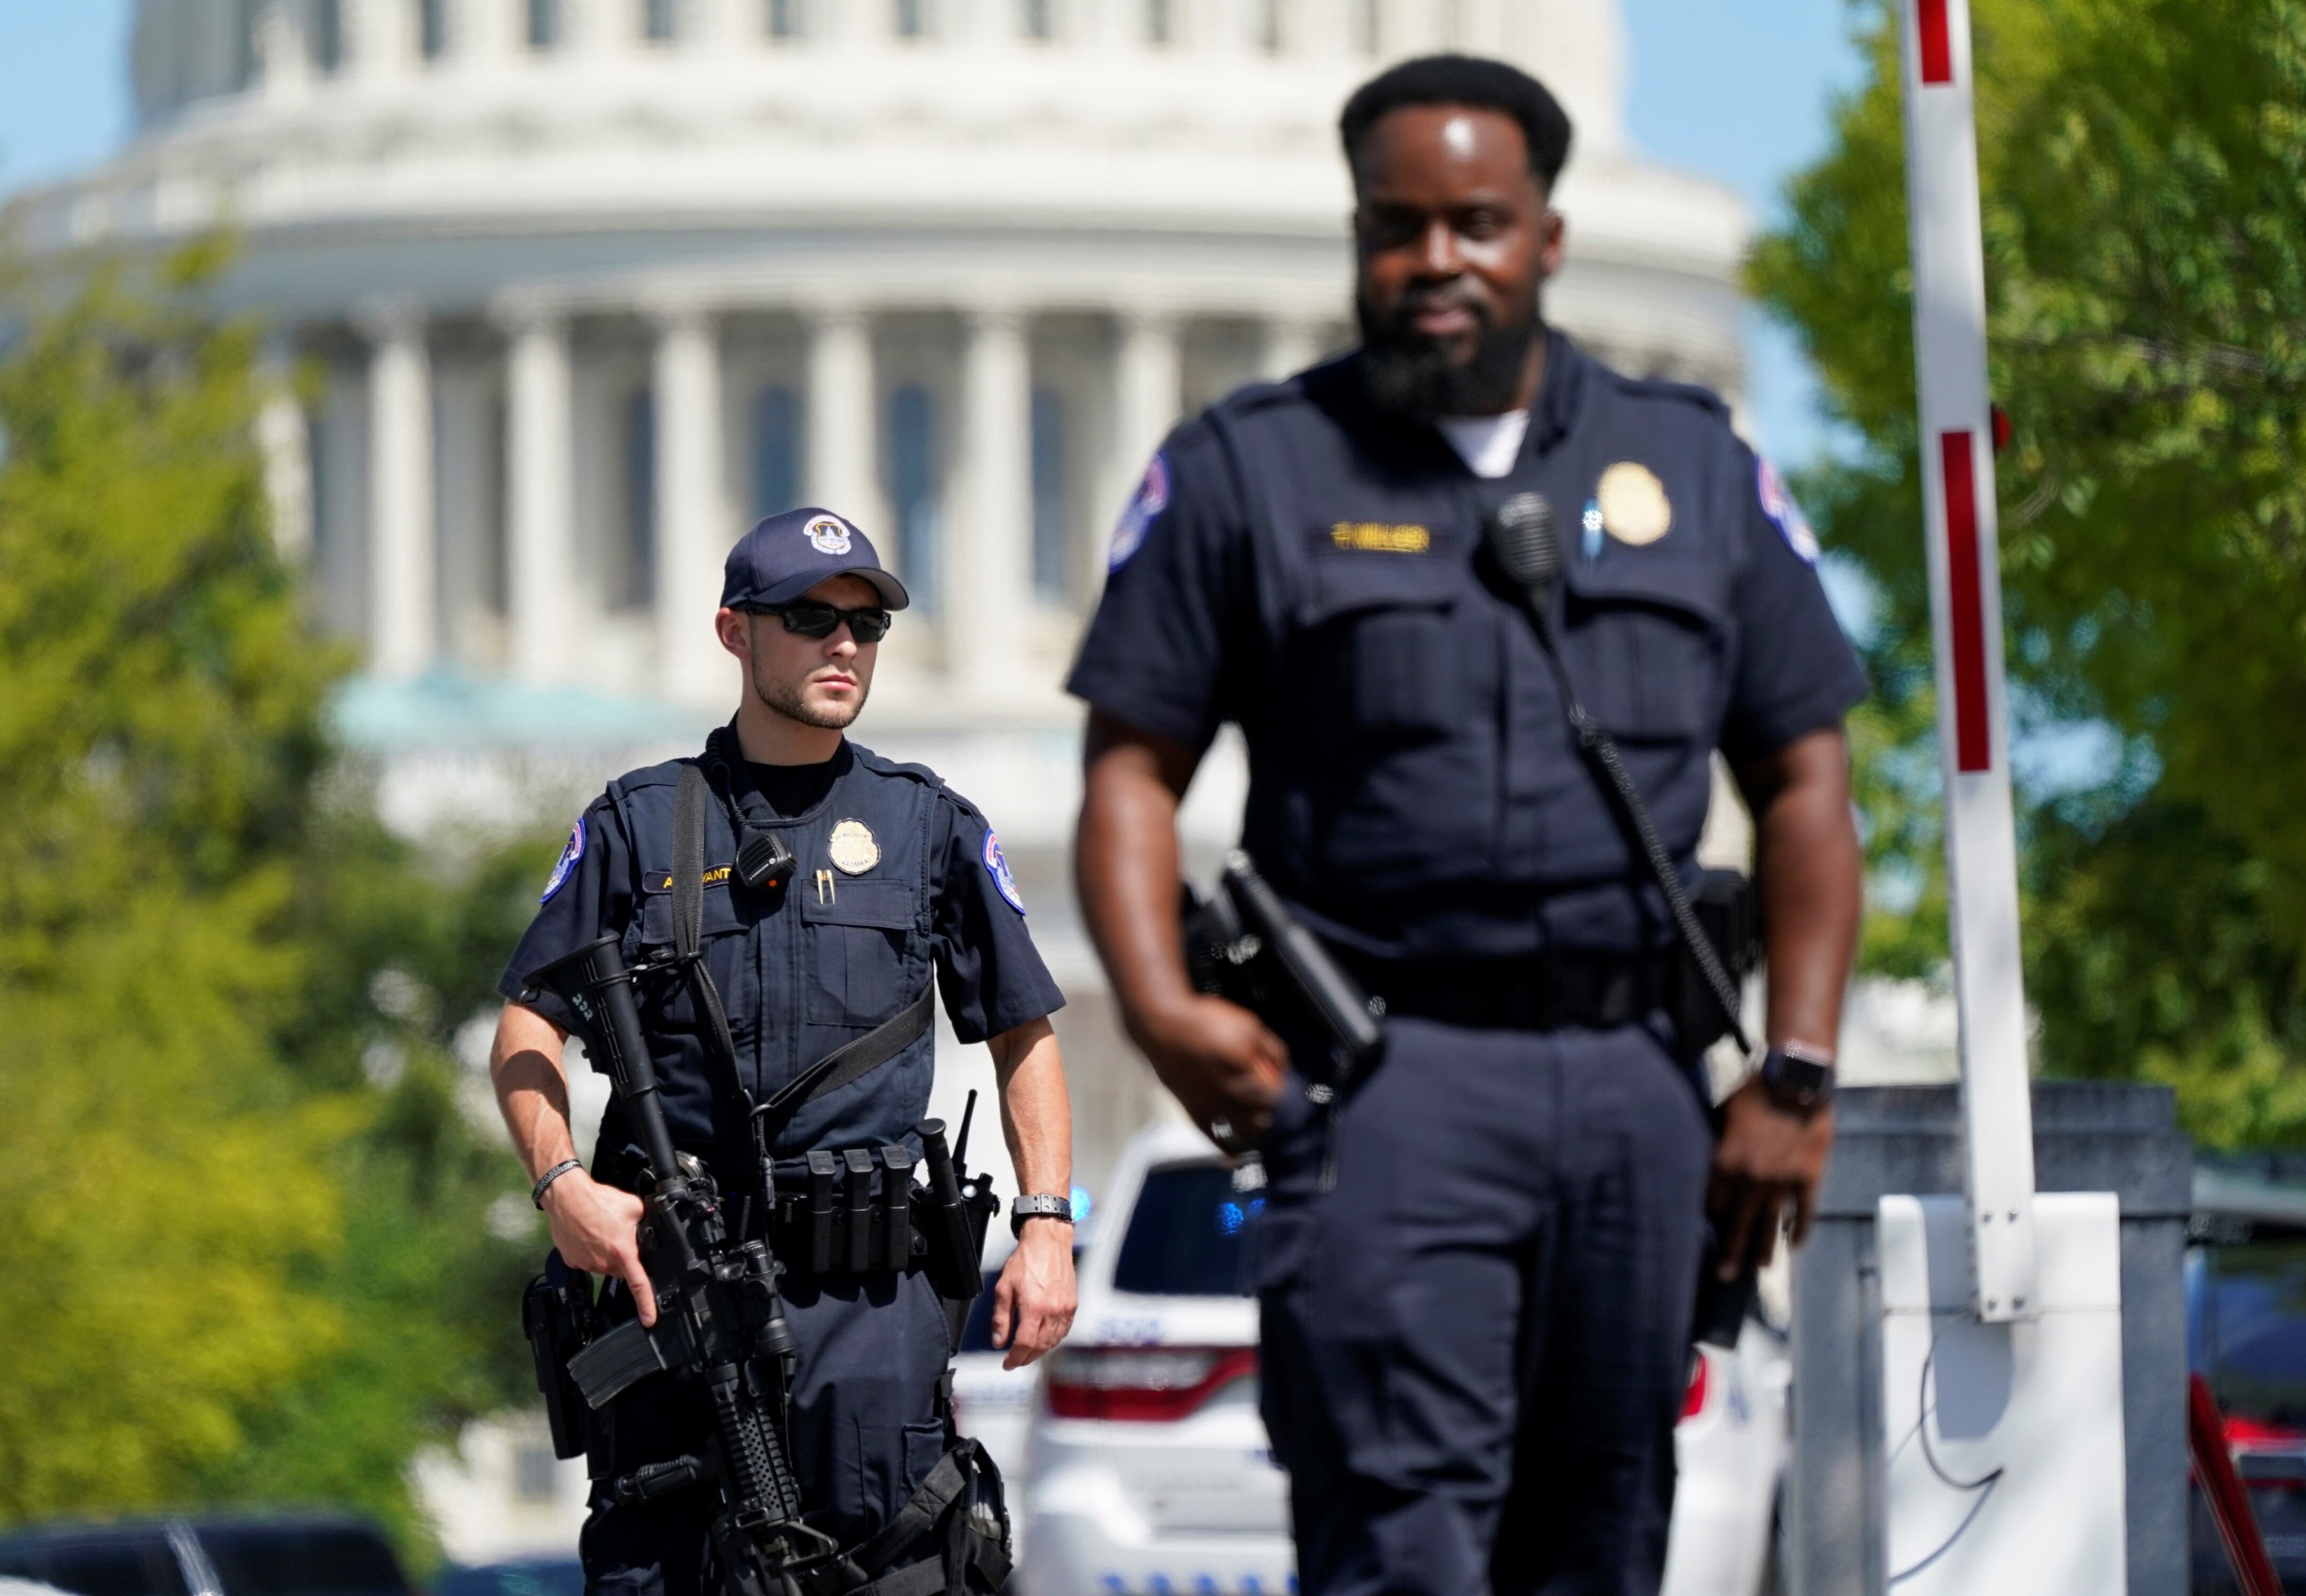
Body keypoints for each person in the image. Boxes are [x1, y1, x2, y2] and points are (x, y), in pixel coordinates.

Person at [1067, 54, 1867, 1596]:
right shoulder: (1249, 472)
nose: (1436, 262)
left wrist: (1799, 1067)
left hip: (1637, 1091)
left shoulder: (1692, 469)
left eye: (1478, 224)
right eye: (1398, 226)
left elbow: (1807, 779)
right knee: (1397, 1546)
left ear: (1547, 239)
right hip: (1386, 1089)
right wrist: (1161, 1012)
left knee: (1602, 1541)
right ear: (1361, 235)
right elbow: (1129, 768)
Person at [491, 506, 1078, 1596]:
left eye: (866, 624)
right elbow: (528, 1030)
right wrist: (563, 1185)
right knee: (658, 1568)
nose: (844, 645)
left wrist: (1048, 1226)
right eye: (811, 618)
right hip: (678, 1302)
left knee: (900, 1564)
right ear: (734, 633)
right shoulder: (639, 827)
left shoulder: (928, 827)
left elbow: (1023, 1035)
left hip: (868, 1315)